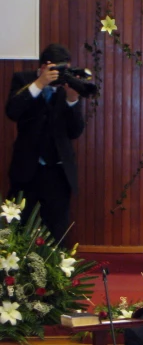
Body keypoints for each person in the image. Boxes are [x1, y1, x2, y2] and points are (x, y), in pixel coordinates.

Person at [5, 43, 85, 243]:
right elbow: (12, 112)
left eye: (64, 69)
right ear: (44, 66)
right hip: (27, 170)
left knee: (58, 230)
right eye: (57, 69)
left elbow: (75, 131)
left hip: (57, 172)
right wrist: (39, 84)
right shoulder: (23, 80)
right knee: (19, 228)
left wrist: (72, 101)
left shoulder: (67, 88)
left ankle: (56, 270)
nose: (60, 74)